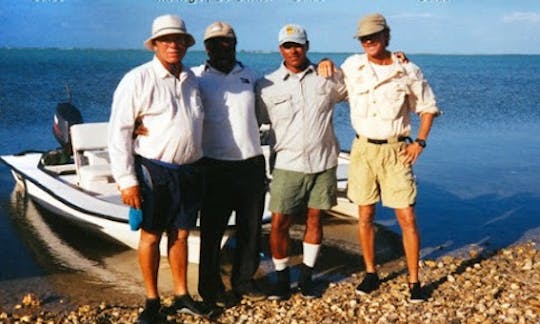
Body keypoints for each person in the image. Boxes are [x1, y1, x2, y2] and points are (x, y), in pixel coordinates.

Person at [108, 14, 208, 323]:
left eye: (178, 39)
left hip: (189, 170)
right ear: (155, 45)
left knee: (180, 234)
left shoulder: (193, 79)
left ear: (185, 44)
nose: (173, 45)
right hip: (154, 169)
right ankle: (152, 301)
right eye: (166, 40)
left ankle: (181, 295)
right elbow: (119, 131)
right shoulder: (137, 79)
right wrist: (126, 181)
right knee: (150, 235)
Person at [340, 13, 441, 303]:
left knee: (406, 216)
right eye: (364, 38)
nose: (369, 41)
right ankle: (371, 273)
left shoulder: (407, 69)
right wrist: (322, 63)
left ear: (387, 36)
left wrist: (420, 142)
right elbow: (329, 85)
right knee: (365, 215)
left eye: (374, 35)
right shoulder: (351, 66)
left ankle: (414, 281)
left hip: (397, 150)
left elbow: (428, 107)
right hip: (362, 150)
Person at [256, 24, 347, 300]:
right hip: (287, 163)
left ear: (307, 46)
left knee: (315, 218)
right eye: (287, 45)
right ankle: (282, 281)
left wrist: (396, 59)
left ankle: (307, 278)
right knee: (280, 223)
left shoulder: (328, 77)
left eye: (298, 44)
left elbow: (362, 89)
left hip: (324, 161)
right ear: (280, 49)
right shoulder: (266, 85)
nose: (293, 50)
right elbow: (247, 121)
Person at [193, 21, 267, 308]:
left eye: (227, 42)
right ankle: (209, 288)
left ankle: (244, 281)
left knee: (250, 229)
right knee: (212, 232)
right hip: (213, 166)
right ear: (206, 47)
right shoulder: (196, 78)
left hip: (250, 164)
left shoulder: (251, 76)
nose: (221, 48)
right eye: (214, 43)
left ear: (235, 45)